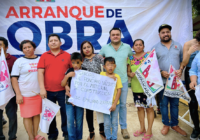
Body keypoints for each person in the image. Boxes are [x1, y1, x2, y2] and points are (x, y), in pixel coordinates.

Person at [152, 24, 186, 136]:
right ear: (159, 35)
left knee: (175, 105)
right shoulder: (155, 47)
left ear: (170, 33)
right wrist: (161, 71)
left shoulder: (178, 46)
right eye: (163, 32)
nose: (166, 34)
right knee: (163, 104)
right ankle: (166, 124)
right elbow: (153, 65)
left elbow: (182, 61)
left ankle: (175, 125)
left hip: (175, 82)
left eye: (167, 32)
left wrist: (181, 69)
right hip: (162, 82)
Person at [99, 28, 133, 139]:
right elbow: (98, 60)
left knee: (122, 105)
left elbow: (131, 61)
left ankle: (123, 128)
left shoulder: (127, 47)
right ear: (110, 36)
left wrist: (129, 71)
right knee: (109, 106)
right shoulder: (105, 48)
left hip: (122, 80)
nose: (115, 36)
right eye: (113, 35)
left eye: (117, 34)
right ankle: (110, 129)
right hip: (108, 84)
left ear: (120, 35)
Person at [37, 34, 71, 140]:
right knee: (50, 115)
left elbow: (71, 73)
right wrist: (42, 89)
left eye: (55, 40)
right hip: (48, 91)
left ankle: (66, 133)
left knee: (66, 114)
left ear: (60, 43)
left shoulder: (67, 55)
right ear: (48, 44)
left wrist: (68, 86)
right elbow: (40, 73)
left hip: (63, 91)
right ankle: (52, 134)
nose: (53, 42)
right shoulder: (44, 56)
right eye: (51, 41)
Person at [11, 40, 44, 140]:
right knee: (27, 116)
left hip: (38, 93)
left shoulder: (40, 59)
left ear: (34, 48)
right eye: (24, 48)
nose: (27, 49)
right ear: (22, 50)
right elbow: (13, 78)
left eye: (29, 47)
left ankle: (35, 135)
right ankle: (30, 137)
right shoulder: (19, 61)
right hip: (25, 94)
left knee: (36, 114)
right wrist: (18, 94)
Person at [127, 39, 155, 140]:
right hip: (136, 87)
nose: (138, 46)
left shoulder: (148, 56)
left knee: (149, 109)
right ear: (133, 47)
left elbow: (154, 69)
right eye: (136, 45)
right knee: (139, 108)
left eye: (140, 45)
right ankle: (142, 128)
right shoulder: (130, 58)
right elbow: (128, 71)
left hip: (148, 87)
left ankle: (149, 130)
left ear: (143, 46)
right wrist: (130, 74)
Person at [80, 41, 106, 140]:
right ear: (82, 50)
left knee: (100, 110)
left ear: (92, 47)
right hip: (87, 91)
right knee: (89, 111)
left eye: (88, 47)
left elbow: (106, 69)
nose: (87, 49)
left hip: (100, 89)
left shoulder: (99, 57)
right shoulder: (81, 60)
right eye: (84, 48)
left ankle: (102, 131)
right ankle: (91, 132)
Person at [61, 52, 86, 140]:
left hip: (80, 101)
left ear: (82, 62)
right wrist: (67, 76)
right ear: (71, 62)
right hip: (69, 100)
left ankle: (79, 138)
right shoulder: (69, 71)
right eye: (73, 62)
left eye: (78, 62)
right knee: (70, 121)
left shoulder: (85, 71)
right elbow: (62, 83)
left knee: (79, 121)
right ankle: (71, 138)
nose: (75, 65)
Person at [180, 30, 200, 140]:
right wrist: (189, 52)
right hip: (191, 73)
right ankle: (196, 128)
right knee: (193, 101)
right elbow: (184, 64)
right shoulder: (188, 44)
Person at [100, 57, 122, 140]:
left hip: (115, 104)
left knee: (114, 122)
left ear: (115, 66)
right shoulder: (101, 74)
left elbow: (119, 90)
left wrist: (114, 104)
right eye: (108, 65)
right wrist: (108, 78)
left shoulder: (117, 77)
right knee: (107, 123)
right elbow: (98, 84)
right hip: (105, 104)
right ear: (104, 67)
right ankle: (108, 137)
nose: (110, 67)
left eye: (112, 65)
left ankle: (114, 137)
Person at [0, 37, 18, 140]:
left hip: (10, 93)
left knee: (12, 116)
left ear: (6, 47)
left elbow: (18, 77)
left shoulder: (14, 60)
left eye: (0, 45)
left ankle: (12, 136)